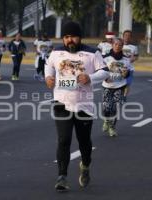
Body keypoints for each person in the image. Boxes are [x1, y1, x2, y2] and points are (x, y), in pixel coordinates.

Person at [45, 21, 109, 192]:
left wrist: (90, 78)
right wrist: (48, 77)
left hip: (83, 105)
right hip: (61, 102)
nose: (69, 40)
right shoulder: (56, 52)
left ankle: (85, 165)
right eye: (66, 37)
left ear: (79, 37)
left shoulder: (91, 53)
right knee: (63, 140)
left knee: (84, 143)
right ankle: (62, 176)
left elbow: (105, 71)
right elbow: (48, 66)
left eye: (73, 36)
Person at [102, 38, 132, 137]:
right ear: (112, 45)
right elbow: (100, 71)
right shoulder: (105, 58)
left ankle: (112, 127)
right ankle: (106, 120)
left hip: (120, 86)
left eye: (120, 45)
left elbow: (128, 74)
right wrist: (105, 78)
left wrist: (126, 74)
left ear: (122, 46)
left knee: (115, 107)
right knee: (106, 108)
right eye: (116, 44)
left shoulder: (126, 59)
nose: (117, 46)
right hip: (107, 86)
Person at [122, 30, 138, 102]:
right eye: (126, 35)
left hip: (129, 69)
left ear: (131, 37)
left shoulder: (134, 47)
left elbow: (136, 56)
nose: (127, 37)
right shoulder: (118, 45)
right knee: (118, 84)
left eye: (129, 36)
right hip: (119, 69)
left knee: (127, 84)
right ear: (123, 36)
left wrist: (133, 59)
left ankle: (124, 96)